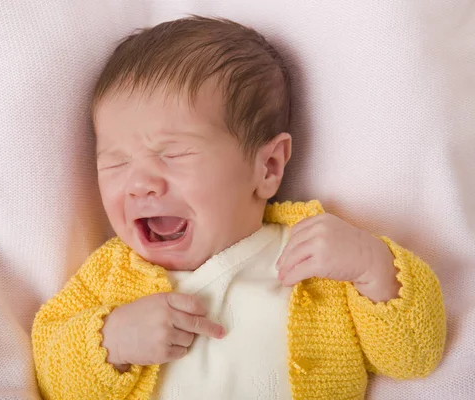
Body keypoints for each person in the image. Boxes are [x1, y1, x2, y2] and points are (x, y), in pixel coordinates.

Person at [31, 16, 446, 400]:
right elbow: (51, 373)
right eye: (116, 163)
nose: (140, 184)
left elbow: (414, 356)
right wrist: (111, 342)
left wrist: (372, 266)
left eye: (173, 154)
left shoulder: (317, 261)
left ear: (267, 166)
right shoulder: (109, 279)